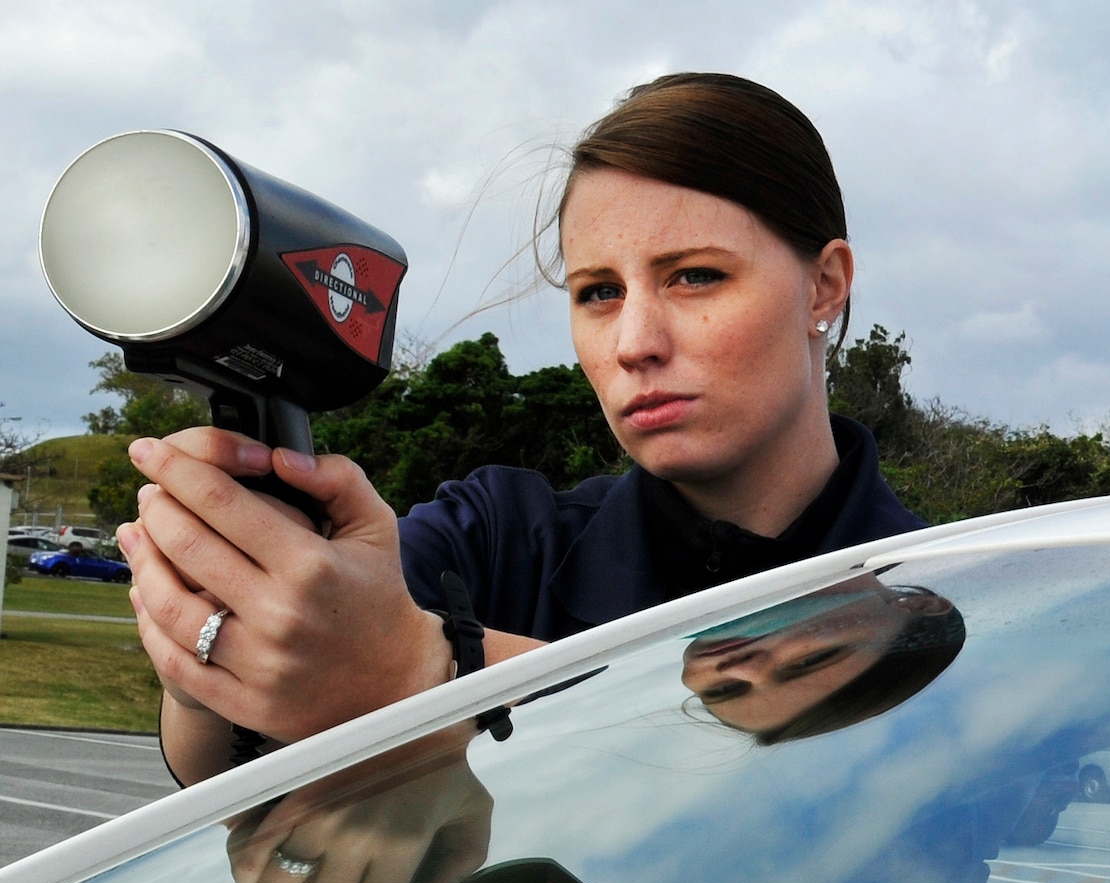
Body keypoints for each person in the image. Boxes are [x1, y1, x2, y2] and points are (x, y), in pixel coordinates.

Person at [115, 73, 927, 789]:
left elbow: (778, 814)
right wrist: (213, 648)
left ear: (825, 286)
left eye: (696, 276)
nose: (635, 341)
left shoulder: (961, 598)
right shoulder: (496, 537)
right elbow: (223, 773)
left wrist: (430, 668)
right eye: (598, 293)